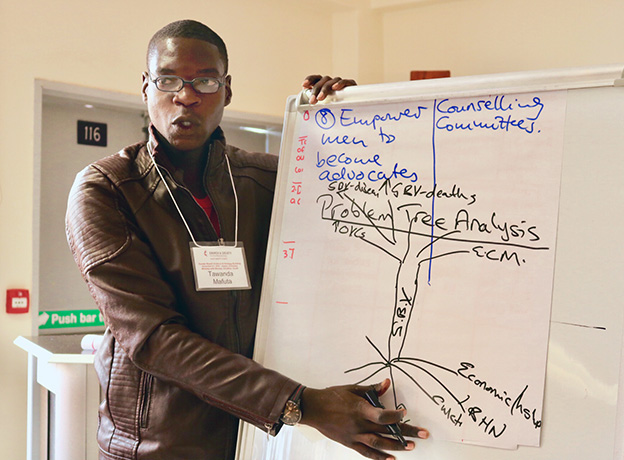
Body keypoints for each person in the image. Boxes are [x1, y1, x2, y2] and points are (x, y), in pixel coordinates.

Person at [66, 19, 428, 460]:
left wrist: (353, 121)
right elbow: (153, 339)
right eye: (168, 80)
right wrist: (302, 403)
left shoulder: (269, 178)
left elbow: (380, 211)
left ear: (227, 90)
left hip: (267, 440)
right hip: (161, 447)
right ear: (146, 88)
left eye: (205, 80)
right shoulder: (107, 189)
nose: (186, 95)